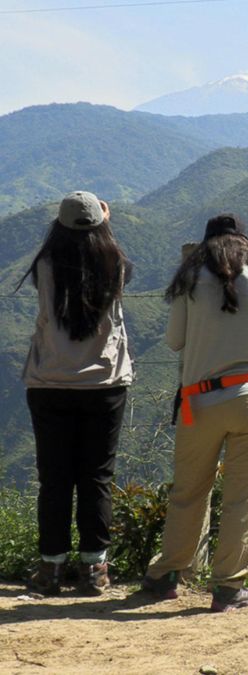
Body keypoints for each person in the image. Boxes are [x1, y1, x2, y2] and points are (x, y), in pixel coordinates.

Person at [141, 213, 248, 613]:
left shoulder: (189, 283)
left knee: (189, 492)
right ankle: (228, 588)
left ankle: (167, 574)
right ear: (244, 244)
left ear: (204, 247)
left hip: (199, 402)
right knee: (245, 497)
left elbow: (173, 341)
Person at [20, 191, 133, 596]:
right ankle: (94, 570)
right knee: (96, 478)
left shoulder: (46, 266)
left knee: (54, 479)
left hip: (50, 383)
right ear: (101, 226)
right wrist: (105, 219)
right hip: (104, 384)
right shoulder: (115, 264)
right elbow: (106, 245)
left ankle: (50, 569)